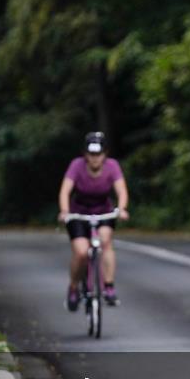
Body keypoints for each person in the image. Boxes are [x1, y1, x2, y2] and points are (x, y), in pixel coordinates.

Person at [57, 132, 130, 310]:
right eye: (91, 155)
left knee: (105, 241)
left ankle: (109, 286)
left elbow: (121, 191)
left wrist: (121, 209)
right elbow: (65, 190)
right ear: (85, 155)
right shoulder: (77, 166)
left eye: (98, 154)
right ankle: (73, 288)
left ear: (104, 154)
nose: (95, 159)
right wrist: (65, 211)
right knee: (81, 252)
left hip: (103, 212)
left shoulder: (112, 166)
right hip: (79, 214)